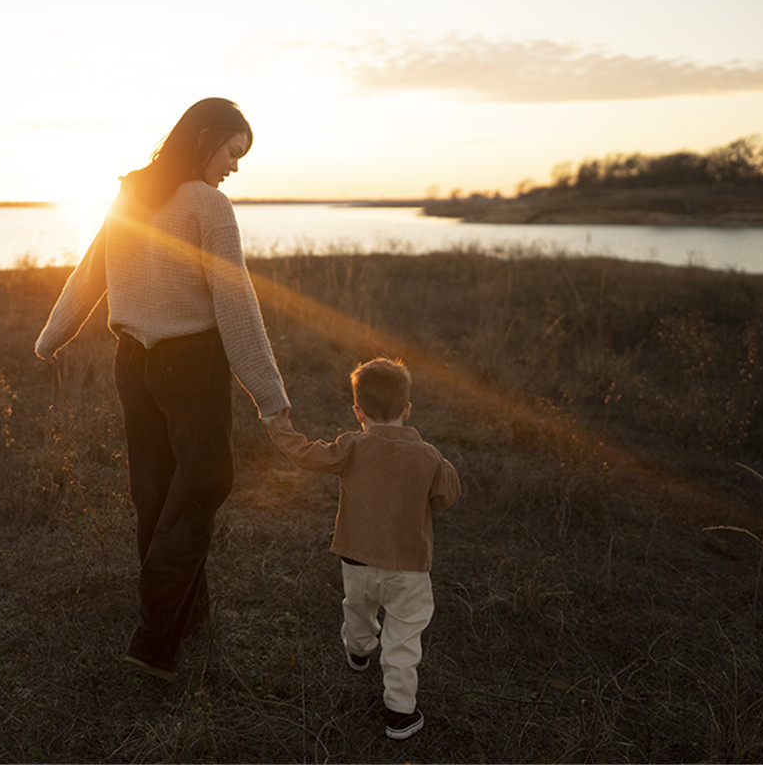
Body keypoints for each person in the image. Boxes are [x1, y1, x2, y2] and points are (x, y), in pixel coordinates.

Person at [34, 98, 290, 683]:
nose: (234, 166)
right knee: (203, 485)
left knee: (154, 491)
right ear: (203, 139)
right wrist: (270, 396)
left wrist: (51, 337)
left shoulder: (130, 196)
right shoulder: (208, 204)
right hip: (192, 365)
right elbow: (235, 301)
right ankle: (155, 640)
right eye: (232, 151)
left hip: (133, 363)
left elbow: (88, 274)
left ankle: (186, 615)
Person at [267, 357, 461, 739]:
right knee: (403, 637)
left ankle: (358, 650)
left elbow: (306, 454)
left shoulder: (351, 446)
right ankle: (400, 713)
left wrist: (280, 429)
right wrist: (435, 469)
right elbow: (445, 497)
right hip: (408, 566)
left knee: (357, 608)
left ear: (358, 412)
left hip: (356, 559)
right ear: (407, 409)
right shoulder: (428, 456)